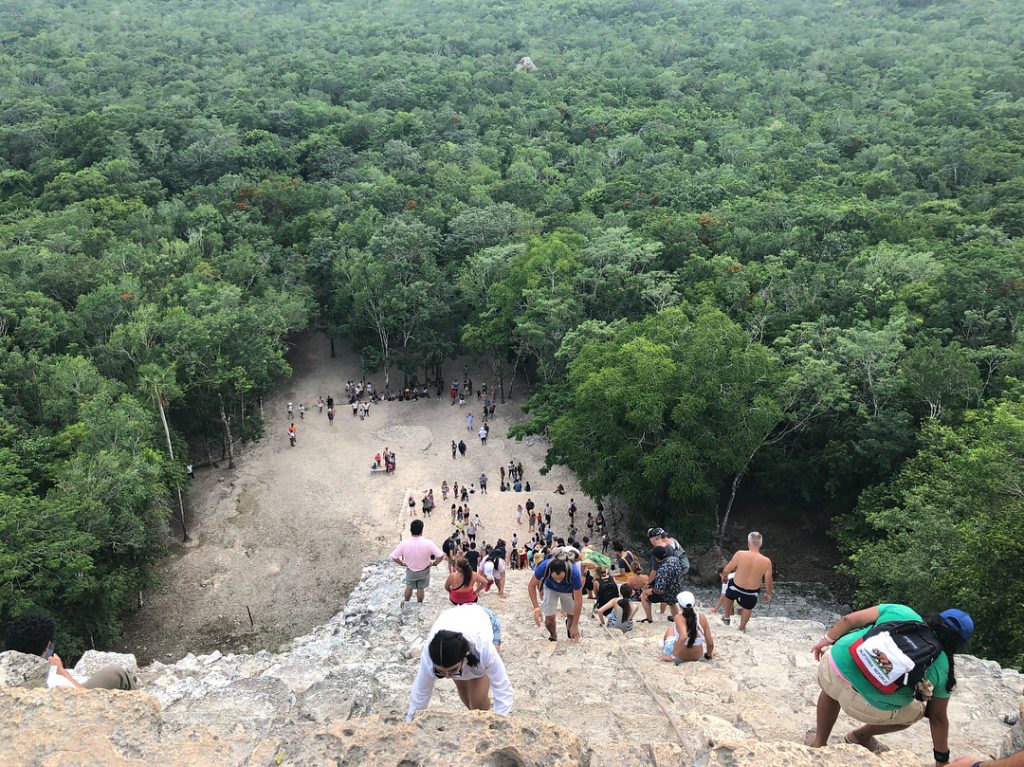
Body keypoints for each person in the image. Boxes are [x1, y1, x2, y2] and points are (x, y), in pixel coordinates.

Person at [807, 605, 974, 762]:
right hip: (863, 706)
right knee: (918, 711)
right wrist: (942, 760)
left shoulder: (903, 612)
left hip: (830, 669)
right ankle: (860, 736)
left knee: (839, 672)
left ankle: (819, 742)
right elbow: (937, 718)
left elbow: (848, 620)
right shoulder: (942, 666)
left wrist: (826, 640)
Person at [406, 604, 512, 721]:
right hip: (453, 620)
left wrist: (499, 721)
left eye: (452, 670)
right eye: (440, 672)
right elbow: (421, 692)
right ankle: (476, 719)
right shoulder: (430, 654)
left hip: (484, 619)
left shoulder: (483, 647)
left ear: (465, 656)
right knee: (467, 698)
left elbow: (502, 688)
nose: (447, 677)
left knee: (477, 701)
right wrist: (410, 721)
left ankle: (485, 720)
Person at [4, 615, 136, 690]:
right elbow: (83, 696)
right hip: (75, 706)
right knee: (116, 673)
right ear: (47, 647)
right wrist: (61, 671)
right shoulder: (52, 679)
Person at [720, 531, 773, 631]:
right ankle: (741, 628)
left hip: (736, 587)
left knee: (729, 595)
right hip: (752, 592)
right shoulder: (766, 561)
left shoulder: (740, 554)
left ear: (748, 543)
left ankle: (726, 617)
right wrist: (768, 594)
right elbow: (768, 581)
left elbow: (727, 569)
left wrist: (724, 577)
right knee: (748, 608)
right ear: (761, 544)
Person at [527, 552, 584, 642]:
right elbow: (531, 586)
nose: (558, 581)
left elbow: (578, 600)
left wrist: (575, 625)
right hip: (550, 588)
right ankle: (553, 636)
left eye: (561, 578)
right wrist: (536, 609)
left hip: (568, 590)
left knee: (571, 617)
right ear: (550, 571)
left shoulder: (574, 573)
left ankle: (570, 629)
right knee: (549, 619)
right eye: (555, 578)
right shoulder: (543, 567)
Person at [390, 519, 445, 603]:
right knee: (420, 588)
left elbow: (394, 557)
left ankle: (406, 602)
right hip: (424, 571)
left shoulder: (404, 543)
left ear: (410, 530)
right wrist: (434, 563)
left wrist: (401, 563)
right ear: (421, 530)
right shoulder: (428, 543)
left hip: (411, 570)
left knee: (409, 587)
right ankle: (419, 604)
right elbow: (440, 556)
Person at [661, 591, 714, 664]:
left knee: (670, 630)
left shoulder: (678, 617)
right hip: (697, 657)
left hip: (679, 658)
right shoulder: (702, 617)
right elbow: (710, 643)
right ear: (694, 604)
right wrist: (708, 655)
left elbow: (684, 637)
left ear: (680, 605)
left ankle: (665, 652)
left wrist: (672, 657)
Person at [640, 546, 685, 623]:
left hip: (669, 593)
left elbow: (660, 591)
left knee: (644, 595)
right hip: (678, 588)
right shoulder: (675, 559)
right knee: (672, 603)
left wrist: (651, 590)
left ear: (656, 559)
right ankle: (675, 618)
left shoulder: (662, 570)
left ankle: (649, 619)